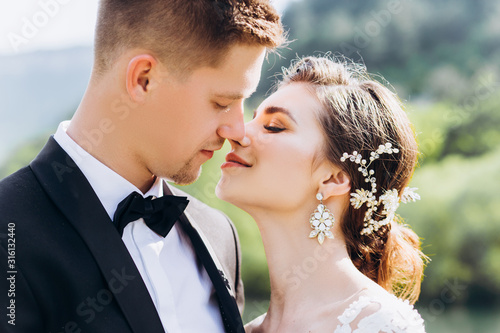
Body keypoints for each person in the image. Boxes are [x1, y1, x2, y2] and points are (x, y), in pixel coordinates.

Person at [0, 1, 284, 332]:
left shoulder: (219, 236)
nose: (237, 130)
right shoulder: (9, 233)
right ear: (143, 79)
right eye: (222, 103)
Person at [216, 55, 428, 332]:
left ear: (334, 178)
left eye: (274, 126)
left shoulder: (377, 324)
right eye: (253, 118)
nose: (238, 132)